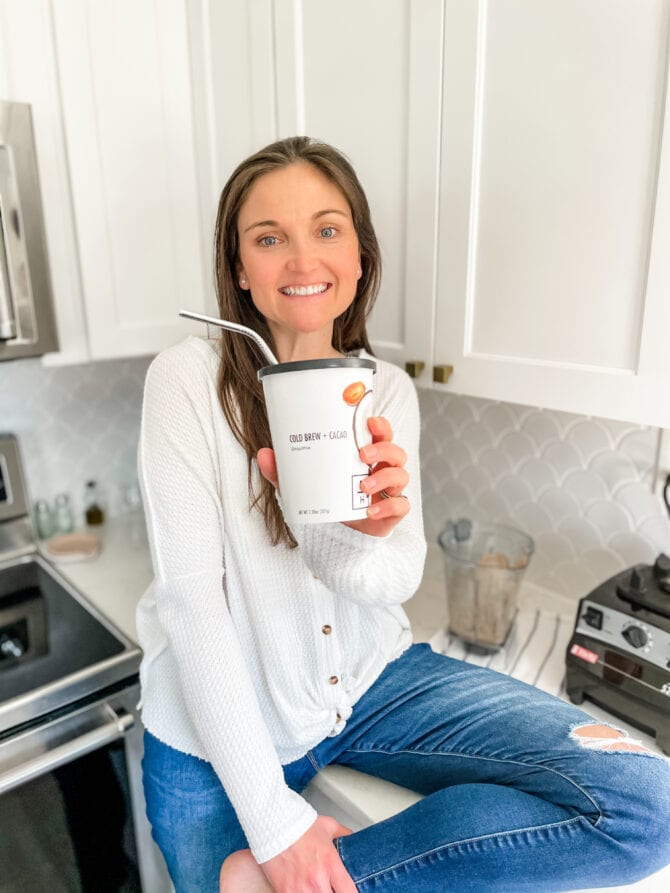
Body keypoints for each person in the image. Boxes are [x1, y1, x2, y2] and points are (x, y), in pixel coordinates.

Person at [137, 136, 670, 893]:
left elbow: (393, 578)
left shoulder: (382, 391)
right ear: (239, 274)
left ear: (359, 258)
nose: (302, 259)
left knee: (646, 802)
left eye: (327, 229)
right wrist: (275, 823)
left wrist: (358, 535)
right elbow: (192, 606)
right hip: (210, 736)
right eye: (268, 238)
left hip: (371, 684)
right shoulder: (185, 383)